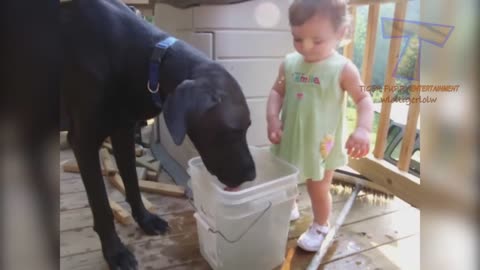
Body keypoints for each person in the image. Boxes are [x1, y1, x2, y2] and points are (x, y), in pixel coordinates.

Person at [266, 0, 374, 252]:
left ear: (341, 33)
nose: (306, 47)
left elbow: (363, 99)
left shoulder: (343, 69)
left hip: (321, 145)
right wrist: (272, 117)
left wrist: (363, 129)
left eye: (317, 41)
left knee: (318, 186)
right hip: (291, 136)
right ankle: (290, 205)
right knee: (285, 176)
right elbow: (276, 91)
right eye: (298, 38)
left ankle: (321, 225)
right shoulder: (290, 63)